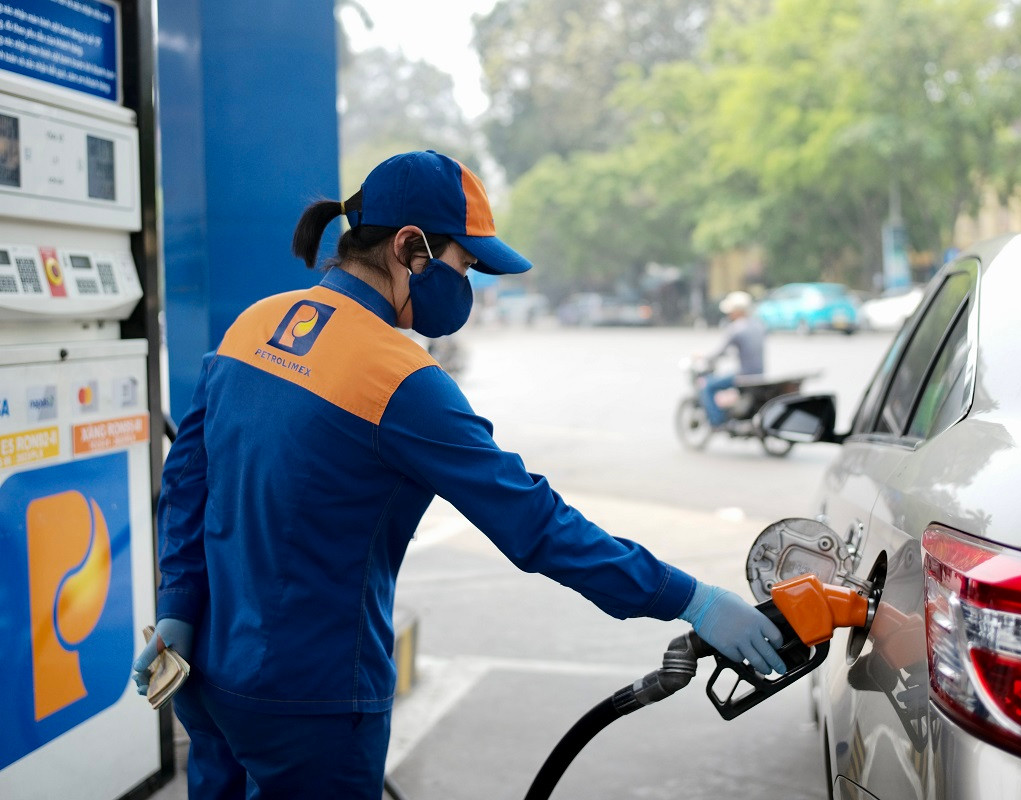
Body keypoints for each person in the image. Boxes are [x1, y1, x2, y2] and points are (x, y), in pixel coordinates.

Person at [132, 150, 787, 799]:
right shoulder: (400, 381)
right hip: (312, 702)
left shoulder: (253, 324)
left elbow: (187, 482)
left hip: (204, 678)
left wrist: (178, 608)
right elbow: (537, 526)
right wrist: (691, 598)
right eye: (465, 263)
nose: (468, 283)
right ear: (410, 247)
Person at [701, 290, 766, 426]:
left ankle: (717, 422)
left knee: (707, 386)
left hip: (743, 375)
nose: (729, 314)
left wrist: (703, 357)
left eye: (731, 311)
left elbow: (719, 352)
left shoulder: (736, 328)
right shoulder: (758, 325)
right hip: (759, 374)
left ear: (737, 311)